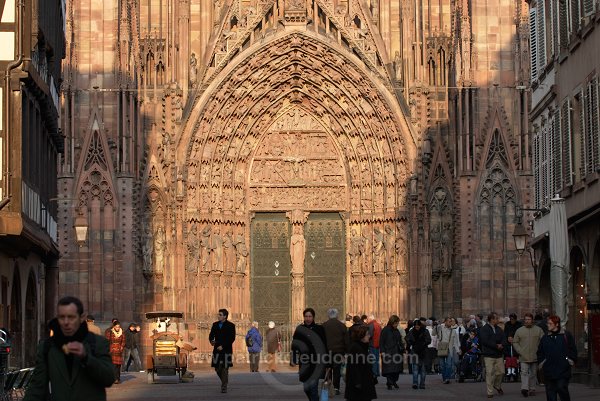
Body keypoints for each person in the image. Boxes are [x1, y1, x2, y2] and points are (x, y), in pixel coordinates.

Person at [23, 296, 114, 401]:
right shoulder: (47, 347)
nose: (66, 322)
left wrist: (86, 358)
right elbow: (37, 387)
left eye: (71, 317)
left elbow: (109, 378)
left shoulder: (98, 343)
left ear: (81, 318)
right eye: (62, 317)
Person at [537, 315, 577, 401]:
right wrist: (542, 362)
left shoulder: (566, 335)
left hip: (563, 370)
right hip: (549, 370)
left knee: (561, 388)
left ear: (557, 324)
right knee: (550, 393)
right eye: (548, 323)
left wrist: (570, 360)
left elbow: (573, 349)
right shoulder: (545, 337)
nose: (548, 325)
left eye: (550, 323)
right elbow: (540, 352)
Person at [292, 308, 327, 401]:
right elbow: (294, 345)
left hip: (316, 362)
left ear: (313, 317)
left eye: (310, 316)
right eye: (306, 316)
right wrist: (294, 357)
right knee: (306, 388)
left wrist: (327, 362)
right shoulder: (300, 329)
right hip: (304, 363)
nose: (308, 318)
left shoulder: (319, 329)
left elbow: (324, 345)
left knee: (313, 388)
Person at [512, 312, 544, 397]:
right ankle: (525, 388)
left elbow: (543, 341)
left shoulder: (538, 330)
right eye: (526, 319)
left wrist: (540, 351)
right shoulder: (519, 330)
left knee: (533, 373)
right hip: (523, 355)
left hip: (534, 355)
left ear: (532, 320)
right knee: (524, 372)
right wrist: (520, 351)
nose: (527, 321)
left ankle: (532, 389)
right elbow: (515, 342)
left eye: (529, 319)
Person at [345, 325, 377, 401]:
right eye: (367, 334)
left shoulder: (363, 346)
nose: (369, 336)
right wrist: (358, 382)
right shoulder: (355, 348)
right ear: (361, 336)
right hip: (359, 385)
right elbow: (353, 367)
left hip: (364, 382)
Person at [209, 308, 236, 393]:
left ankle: (224, 386)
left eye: (220, 315)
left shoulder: (231, 326)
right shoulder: (215, 324)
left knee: (225, 368)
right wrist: (211, 341)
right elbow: (211, 335)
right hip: (217, 349)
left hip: (226, 350)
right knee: (217, 368)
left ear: (225, 316)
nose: (218, 316)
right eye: (218, 314)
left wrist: (223, 346)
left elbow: (232, 338)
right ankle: (224, 381)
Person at [322, 308, 348, 395]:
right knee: (337, 370)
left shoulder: (324, 325)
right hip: (339, 351)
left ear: (328, 315)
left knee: (328, 369)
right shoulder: (342, 325)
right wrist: (346, 352)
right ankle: (336, 388)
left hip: (327, 351)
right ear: (337, 315)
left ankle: (327, 387)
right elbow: (346, 340)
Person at [480, 312, 505, 398]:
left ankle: (497, 385)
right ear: (492, 319)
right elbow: (484, 341)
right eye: (496, 318)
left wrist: (502, 344)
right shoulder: (484, 329)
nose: (498, 320)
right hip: (488, 354)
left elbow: (503, 338)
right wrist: (496, 345)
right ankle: (490, 392)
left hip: (498, 354)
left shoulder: (499, 329)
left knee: (501, 372)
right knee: (490, 373)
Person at [380, 315, 404, 390]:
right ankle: (389, 382)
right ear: (392, 322)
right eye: (396, 323)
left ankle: (394, 381)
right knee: (389, 369)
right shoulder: (385, 330)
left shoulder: (396, 330)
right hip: (388, 352)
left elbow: (399, 341)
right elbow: (381, 342)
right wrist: (382, 351)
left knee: (396, 370)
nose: (397, 325)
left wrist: (402, 348)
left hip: (397, 353)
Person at [406, 319, 431, 389]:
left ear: (420, 325)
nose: (417, 328)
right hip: (415, 351)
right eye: (415, 326)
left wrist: (423, 343)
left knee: (423, 370)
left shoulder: (425, 331)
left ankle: (422, 384)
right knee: (415, 369)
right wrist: (412, 343)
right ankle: (415, 383)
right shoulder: (412, 331)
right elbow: (407, 338)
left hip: (423, 352)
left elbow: (429, 340)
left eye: (418, 326)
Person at [504, 312, 522, 381]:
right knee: (508, 358)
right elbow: (505, 333)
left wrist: (514, 339)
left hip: (516, 343)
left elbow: (520, 333)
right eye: (511, 319)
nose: (512, 320)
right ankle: (508, 373)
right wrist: (508, 338)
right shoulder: (507, 324)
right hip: (508, 344)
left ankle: (515, 373)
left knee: (515, 358)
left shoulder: (519, 324)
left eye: (513, 319)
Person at [366, 315, 382, 383]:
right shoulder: (378, 325)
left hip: (372, 345)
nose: (366, 321)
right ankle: (376, 373)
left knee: (373, 360)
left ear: (370, 319)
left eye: (367, 319)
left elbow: (369, 335)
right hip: (377, 345)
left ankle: (374, 374)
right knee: (376, 360)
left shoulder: (371, 325)